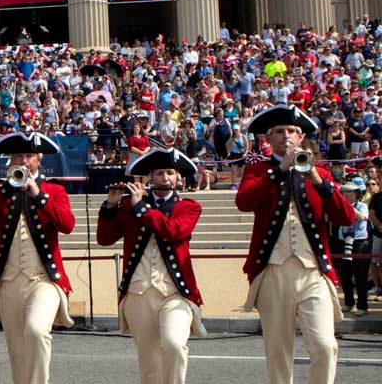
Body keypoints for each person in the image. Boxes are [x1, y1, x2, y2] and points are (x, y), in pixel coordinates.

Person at [236, 104, 356, 384]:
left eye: (291, 131)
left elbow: (346, 217)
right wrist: (280, 169)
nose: (285, 136)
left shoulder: (321, 174)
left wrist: (316, 179)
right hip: (272, 271)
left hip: (313, 271)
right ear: (268, 139)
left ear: (301, 138)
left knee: (326, 346)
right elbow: (244, 202)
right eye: (279, 132)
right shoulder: (258, 170)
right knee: (278, 352)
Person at [0, 132, 75, 384]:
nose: (24, 161)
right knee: (16, 349)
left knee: (37, 330)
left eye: (29, 156)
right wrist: (5, 189)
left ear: (38, 160)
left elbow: (67, 224)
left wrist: (38, 194)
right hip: (8, 280)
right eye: (18, 156)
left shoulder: (54, 190)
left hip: (44, 279)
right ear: (10, 161)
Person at [98, 149, 207, 384]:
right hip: (138, 290)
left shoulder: (189, 207)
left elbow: (173, 232)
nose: (165, 178)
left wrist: (141, 208)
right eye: (159, 174)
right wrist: (111, 205)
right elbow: (105, 239)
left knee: (174, 345)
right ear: (149, 178)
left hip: (175, 292)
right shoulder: (130, 205)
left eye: (170, 173)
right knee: (149, 362)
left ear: (178, 178)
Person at [336, 180, 371, 316]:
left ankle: (362, 305)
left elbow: (363, 217)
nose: (347, 194)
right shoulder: (340, 205)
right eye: (345, 192)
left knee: (360, 276)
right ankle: (349, 303)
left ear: (357, 193)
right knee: (344, 274)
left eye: (350, 192)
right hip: (343, 240)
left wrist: (348, 207)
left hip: (359, 242)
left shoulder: (361, 205)